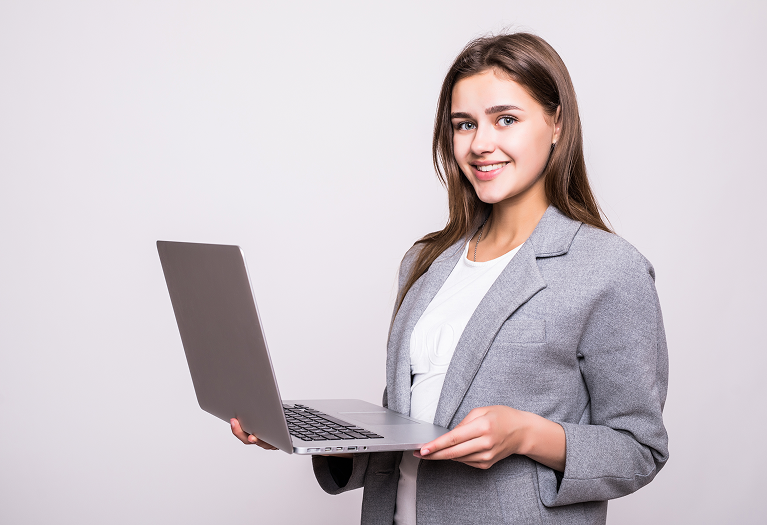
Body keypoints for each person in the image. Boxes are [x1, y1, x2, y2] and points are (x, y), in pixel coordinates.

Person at [231, 32, 669, 524]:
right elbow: (411, 423)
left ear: (556, 125)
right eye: (465, 125)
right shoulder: (426, 261)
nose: (481, 144)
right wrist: (320, 439)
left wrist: (527, 434)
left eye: (506, 119)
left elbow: (639, 449)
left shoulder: (608, 269)